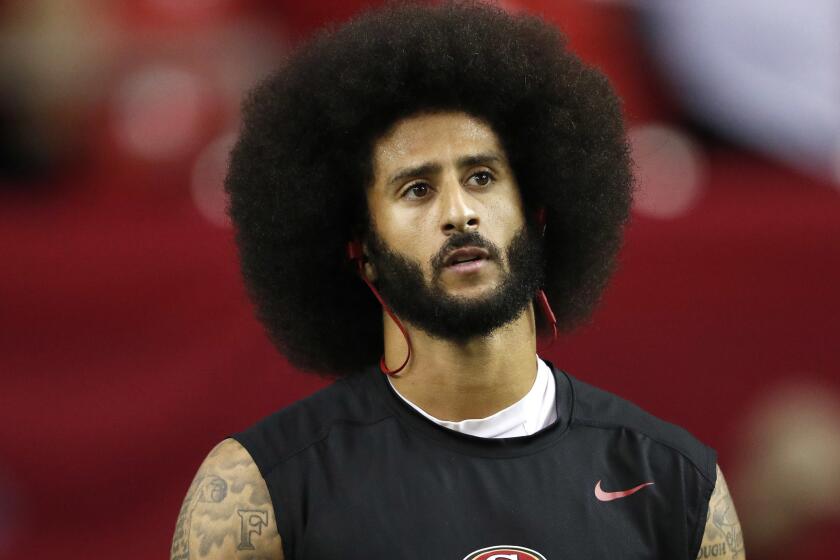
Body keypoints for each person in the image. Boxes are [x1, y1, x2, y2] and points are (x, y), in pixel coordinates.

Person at [171, 2, 744, 559]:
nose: (460, 212)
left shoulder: (677, 483)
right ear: (361, 250)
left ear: (537, 212)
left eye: (482, 176)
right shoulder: (260, 491)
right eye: (417, 189)